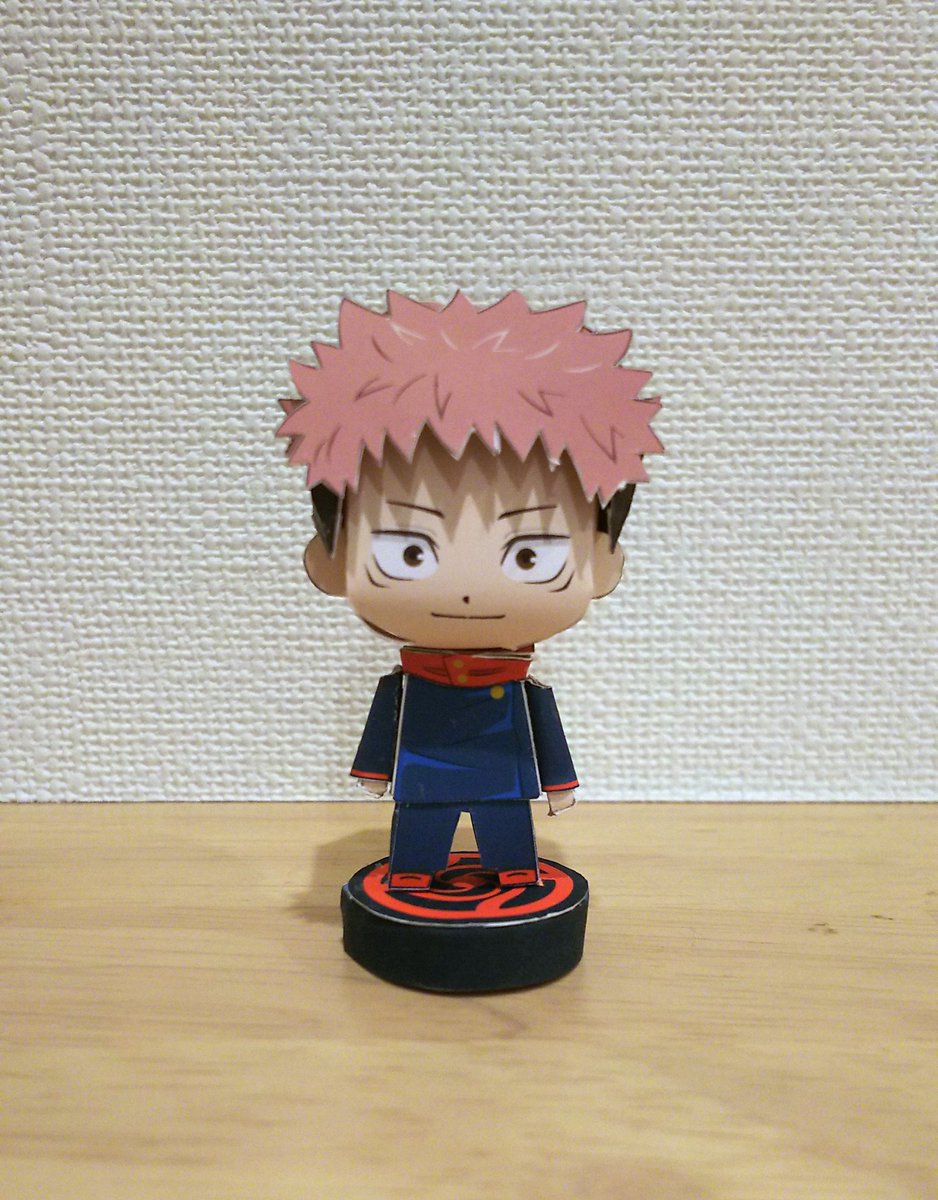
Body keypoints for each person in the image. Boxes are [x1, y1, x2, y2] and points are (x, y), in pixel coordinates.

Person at [278, 290, 661, 888]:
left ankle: (514, 870)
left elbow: (544, 728)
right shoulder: (408, 684)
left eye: (530, 554)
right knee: (420, 829)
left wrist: (559, 783)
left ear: (602, 563)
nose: (465, 591)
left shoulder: (521, 686)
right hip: (423, 772)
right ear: (331, 559)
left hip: (504, 774)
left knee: (507, 830)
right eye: (409, 551)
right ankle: (412, 873)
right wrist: (375, 770)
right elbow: (385, 722)